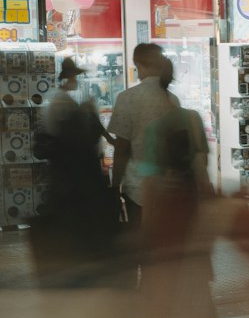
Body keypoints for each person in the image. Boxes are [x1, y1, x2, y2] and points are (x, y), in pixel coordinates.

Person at [31, 57, 116, 283]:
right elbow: (71, 140)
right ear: (69, 77)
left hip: (64, 175)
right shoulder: (61, 101)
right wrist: (85, 113)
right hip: (71, 176)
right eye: (76, 76)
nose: (78, 80)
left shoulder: (57, 99)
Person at [108, 43, 180, 233]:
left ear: (140, 65)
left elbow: (122, 148)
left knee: (140, 245)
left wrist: (115, 185)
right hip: (168, 189)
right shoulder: (172, 100)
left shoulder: (127, 98)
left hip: (137, 189)